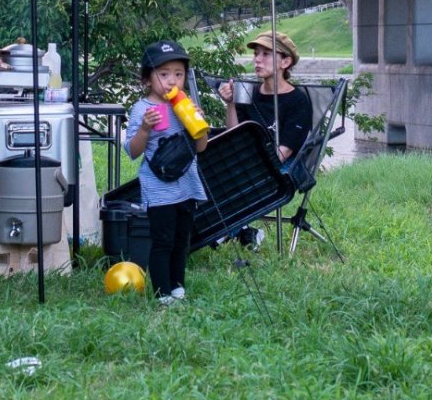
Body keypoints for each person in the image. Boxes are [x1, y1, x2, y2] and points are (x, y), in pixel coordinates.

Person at [125, 39, 208, 304]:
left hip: (186, 185)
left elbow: (201, 147)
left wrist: (199, 122)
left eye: (178, 74)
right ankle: (162, 293)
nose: (171, 81)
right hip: (159, 189)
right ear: (147, 80)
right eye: (163, 74)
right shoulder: (142, 110)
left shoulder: (184, 107)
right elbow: (132, 151)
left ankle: (178, 286)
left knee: (181, 240)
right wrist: (145, 129)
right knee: (162, 240)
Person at [218, 29, 313, 163]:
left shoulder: (298, 101)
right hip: (244, 164)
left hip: (277, 172)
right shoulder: (247, 93)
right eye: (256, 54)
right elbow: (233, 140)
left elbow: (282, 154)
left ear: (285, 62)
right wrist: (230, 104)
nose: (257, 59)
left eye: (266, 54)